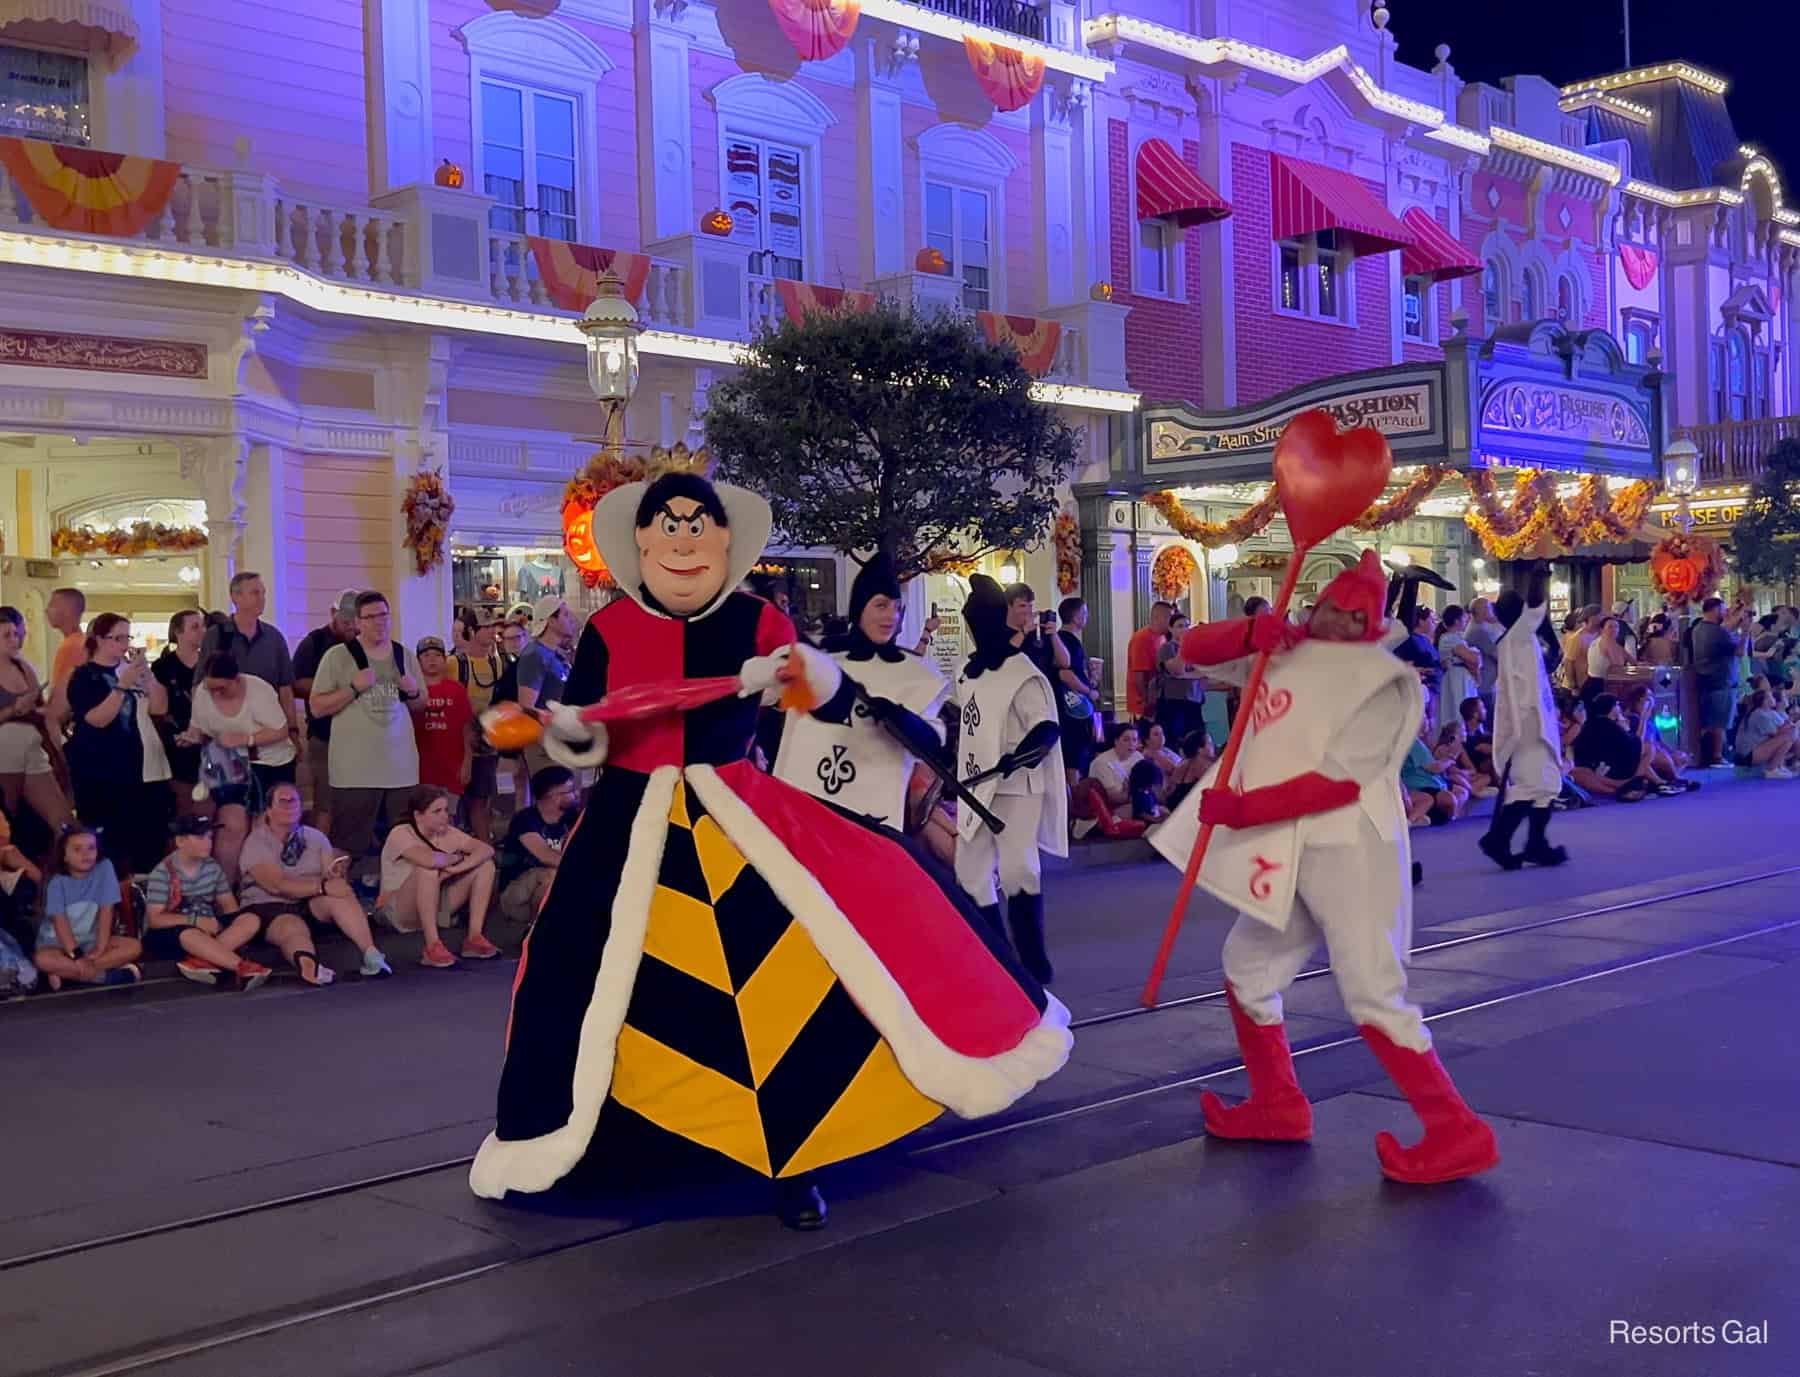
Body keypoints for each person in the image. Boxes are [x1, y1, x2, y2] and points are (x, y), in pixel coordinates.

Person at [471, 472, 1068, 1230]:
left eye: (698, 524)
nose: (684, 539)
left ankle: (799, 1157)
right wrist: (560, 728)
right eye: (668, 524)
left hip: (735, 815)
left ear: (724, 541)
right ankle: (586, 1149)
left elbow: (816, 695)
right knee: (574, 976)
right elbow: (582, 729)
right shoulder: (609, 629)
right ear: (642, 541)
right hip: (626, 823)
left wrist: (801, 671)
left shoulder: (757, 620)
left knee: (795, 972)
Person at [1149, 549, 1497, 1184]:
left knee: (1371, 992)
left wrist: (1242, 808)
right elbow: (1187, 652)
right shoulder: (1283, 647)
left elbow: (1337, 783)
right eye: (1331, 604)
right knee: (1248, 969)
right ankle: (1278, 1103)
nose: (1336, 618)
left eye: (1351, 610)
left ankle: (1457, 1128)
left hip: (1351, 851)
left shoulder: (1387, 683)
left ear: (1372, 620)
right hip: (1288, 849)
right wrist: (1248, 631)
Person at [771, 552, 950, 832]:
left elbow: (932, 745)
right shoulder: (821, 659)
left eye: (896, 607)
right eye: (881, 605)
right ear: (860, 608)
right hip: (809, 805)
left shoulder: (918, 675)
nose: (891, 615)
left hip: (873, 811)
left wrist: (900, 718)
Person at [955, 573, 1069, 986]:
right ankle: (998, 957)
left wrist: (1015, 759)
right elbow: (968, 723)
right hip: (975, 786)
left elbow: (1046, 729)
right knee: (969, 873)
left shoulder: (1021, 671)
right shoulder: (968, 672)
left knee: (1020, 868)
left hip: (1017, 786)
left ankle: (1035, 964)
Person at [308, 592, 422, 875]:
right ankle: (338, 901)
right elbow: (317, 707)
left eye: (383, 615)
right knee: (347, 844)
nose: (378, 622)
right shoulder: (337, 656)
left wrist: (414, 692)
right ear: (357, 622)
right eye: (370, 617)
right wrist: (353, 688)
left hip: (401, 770)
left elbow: (422, 704)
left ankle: (396, 906)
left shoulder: (403, 654)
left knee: (405, 843)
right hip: (355, 772)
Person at [239, 780, 390, 980]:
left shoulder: (316, 837)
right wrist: (322, 885)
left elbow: (329, 876)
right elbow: (277, 886)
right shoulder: (257, 842)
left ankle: (371, 955)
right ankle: (309, 967)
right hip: (268, 907)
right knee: (293, 928)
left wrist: (336, 874)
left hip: (307, 902)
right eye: (282, 801)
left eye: (293, 801)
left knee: (339, 893)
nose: (289, 805)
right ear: (269, 810)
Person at [65, 614, 169, 875]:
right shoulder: (85, 676)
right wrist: (121, 687)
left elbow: (160, 708)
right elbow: (97, 719)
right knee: (110, 845)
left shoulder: (131, 671)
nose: (124, 644)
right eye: (117, 638)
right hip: (101, 771)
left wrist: (148, 678)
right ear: (99, 640)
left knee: (147, 841)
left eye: (127, 637)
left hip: (142, 769)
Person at [1481, 563, 1568, 870]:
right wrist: (1541, 573)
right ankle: (1498, 839)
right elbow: (1535, 609)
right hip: (1528, 724)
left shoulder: (1519, 639)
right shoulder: (1518, 636)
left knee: (1547, 782)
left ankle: (1535, 843)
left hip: (1535, 720)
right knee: (1532, 783)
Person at [189, 652, 297, 882]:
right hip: (230, 764)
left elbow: (280, 730)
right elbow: (198, 727)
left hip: (269, 762)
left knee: (262, 827)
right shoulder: (202, 693)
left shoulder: (259, 691)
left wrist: (245, 739)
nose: (216, 693)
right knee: (232, 825)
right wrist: (190, 737)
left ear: (236, 680)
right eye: (212, 689)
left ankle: (256, 885)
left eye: (222, 688)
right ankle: (225, 888)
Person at [141, 816, 272, 989]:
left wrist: (230, 925)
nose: (208, 843)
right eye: (200, 837)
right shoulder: (163, 872)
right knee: (190, 934)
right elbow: (155, 920)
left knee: (250, 919)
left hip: (209, 927)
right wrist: (195, 922)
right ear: (180, 841)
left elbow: (229, 906)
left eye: (210, 837)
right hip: (174, 931)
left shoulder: (212, 867)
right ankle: (240, 966)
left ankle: (201, 961)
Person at [378, 784, 498, 968]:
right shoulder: (401, 833)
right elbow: (428, 860)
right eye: (437, 811)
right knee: (427, 870)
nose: (445, 816)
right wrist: (457, 857)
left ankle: (474, 936)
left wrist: (458, 868)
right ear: (419, 815)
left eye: (446, 810)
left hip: (436, 905)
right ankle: (432, 945)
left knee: (485, 866)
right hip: (398, 910)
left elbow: (486, 850)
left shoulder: (448, 832)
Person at [34, 824, 141, 990]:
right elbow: (60, 923)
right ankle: (104, 977)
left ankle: (67, 973)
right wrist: (76, 956)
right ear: (65, 856)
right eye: (77, 849)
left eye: (91, 848)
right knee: (42, 959)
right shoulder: (57, 883)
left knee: (134, 947)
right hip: (58, 944)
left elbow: (107, 910)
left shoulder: (104, 868)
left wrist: (100, 947)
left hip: (90, 941)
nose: (86, 854)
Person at [195, 572, 296, 736]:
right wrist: (201, 727)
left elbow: (285, 688)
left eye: (263, 593)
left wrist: (293, 729)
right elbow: (200, 684)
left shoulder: (274, 637)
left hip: (269, 731)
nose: (262, 598)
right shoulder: (216, 635)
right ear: (236, 597)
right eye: (255, 593)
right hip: (227, 731)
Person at [0, 606, 72, 835]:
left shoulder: (23, 667)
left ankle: (65, 862)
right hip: (5, 750)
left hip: (32, 747)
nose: (14, 640)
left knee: (62, 819)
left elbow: (43, 712)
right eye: (6, 635)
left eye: (16, 633)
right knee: (7, 818)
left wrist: (58, 748)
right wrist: (13, 710)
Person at [292, 591, 358, 836]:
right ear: (333, 614)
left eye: (355, 622)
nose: (352, 627)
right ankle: (321, 852)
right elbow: (296, 684)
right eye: (346, 622)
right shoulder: (314, 643)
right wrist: (339, 688)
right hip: (325, 735)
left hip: (360, 737)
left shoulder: (364, 643)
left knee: (357, 800)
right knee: (326, 800)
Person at [497, 765, 578, 923]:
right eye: (569, 791)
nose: (575, 794)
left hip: (556, 890)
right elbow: (546, 856)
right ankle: (535, 929)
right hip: (518, 897)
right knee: (551, 874)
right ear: (551, 795)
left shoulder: (571, 817)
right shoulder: (525, 820)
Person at [455, 614, 508, 843]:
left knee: (482, 798)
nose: (490, 631)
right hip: (459, 740)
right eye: (483, 627)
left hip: (488, 742)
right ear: (470, 631)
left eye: (491, 627)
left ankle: (483, 844)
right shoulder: (455, 663)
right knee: (456, 801)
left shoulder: (499, 662)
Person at [515, 596, 575, 784]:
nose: (570, 619)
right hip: (544, 742)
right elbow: (526, 705)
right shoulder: (534, 655)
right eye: (564, 615)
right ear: (551, 620)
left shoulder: (558, 655)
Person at [153, 609, 207, 815]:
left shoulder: (209, 664)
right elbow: (158, 710)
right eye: (195, 627)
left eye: (202, 626)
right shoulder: (163, 667)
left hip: (208, 742)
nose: (201, 631)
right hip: (176, 744)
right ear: (178, 632)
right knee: (181, 805)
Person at [411, 636, 474, 807]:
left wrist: (467, 762)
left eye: (437, 655)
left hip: (451, 769)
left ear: (445, 659)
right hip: (419, 770)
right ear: (417, 661)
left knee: (449, 817)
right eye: (426, 655)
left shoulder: (457, 690)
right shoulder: (412, 691)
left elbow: (467, 728)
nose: (432, 660)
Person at [1691, 597, 1747, 768]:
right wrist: (1745, 631)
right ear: (1715, 610)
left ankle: (1712, 754)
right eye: (1723, 610)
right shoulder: (1716, 632)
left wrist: (1735, 619)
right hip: (1721, 681)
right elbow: (1739, 651)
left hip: (1707, 680)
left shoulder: (1699, 628)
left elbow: (1725, 635)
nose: (1725, 613)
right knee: (1720, 722)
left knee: (1712, 720)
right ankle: (1716, 756)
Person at [1053, 597, 1101, 788]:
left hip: (1072, 706)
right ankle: (1074, 804)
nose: (1087, 617)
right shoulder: (1068, 641)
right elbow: (1065, 674)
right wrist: (1088, 691)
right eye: (1085, 613)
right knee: (1074, 759)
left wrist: (1091, 678)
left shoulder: (1063, 640)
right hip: (1073, 709)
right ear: (1076, 617)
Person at [41, 586, 88, 739]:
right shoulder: (82, 642)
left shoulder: (71, 647)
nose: (46, 610)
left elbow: (60, 703)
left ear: (67, 610)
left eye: (52, 605)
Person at [1156, 613, 1208, 741]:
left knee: (1197, 741)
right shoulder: (1167, 648)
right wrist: (1184, 646)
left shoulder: (1195, 648)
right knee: (1176, 740)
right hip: (1174, 702)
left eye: (1187, 625)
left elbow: (1203, 672)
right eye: (1180, 626)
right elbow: (1177, 670)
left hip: (1194, 701)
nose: (1185, 629)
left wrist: (1186, 675)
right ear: (1171, 629)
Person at [1732, 689, 1800, 777]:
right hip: (1748, 755)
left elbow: (1784, 729)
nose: (1774, 698)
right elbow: (1777, 734)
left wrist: (1793, 722)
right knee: (1789, 736)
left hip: (1760, 750)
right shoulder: (1758, 714)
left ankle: (1780, 766)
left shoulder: (1772, 713)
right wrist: (1792, 719)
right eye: (1771, 696)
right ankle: (1771, 769)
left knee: (1792, 734)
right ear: (1765, 701)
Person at [1127, 601, 1173, 720]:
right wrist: (1147, 701)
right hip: (1143, 705)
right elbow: (1139, 676)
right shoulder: (1142, 638)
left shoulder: (1163, 638)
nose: (1172, 622)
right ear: (1158, 618)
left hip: (1158, 700)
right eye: (1170, 617)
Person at [1435, 605, 1480, 721]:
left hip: (1463, 677)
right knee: (1459, 709)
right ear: (1456, 621)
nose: (1466, 621)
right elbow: (1473, 659)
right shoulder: (1448, 638)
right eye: (1464, 618)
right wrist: (1473, 656)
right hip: (1456, 678)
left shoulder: (1459, 638)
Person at [1087, 721, 1142, 807]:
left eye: (1134, 740)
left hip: (1132, 802)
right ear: (1116, 741)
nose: (1131, 744)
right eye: (1126, 740)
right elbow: (1114, 798)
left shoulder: (1138, 757)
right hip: (1107, 809)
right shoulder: (1102, 763)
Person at [1465, 597, 1502, 718]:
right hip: (1485, 684)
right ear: (1483, 611)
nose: (1492, 610)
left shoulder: (1481, 627)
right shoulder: (1478, 631)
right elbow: (1498, 654)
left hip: (1487, 682)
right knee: (1489, 719)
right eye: (1489, 607)